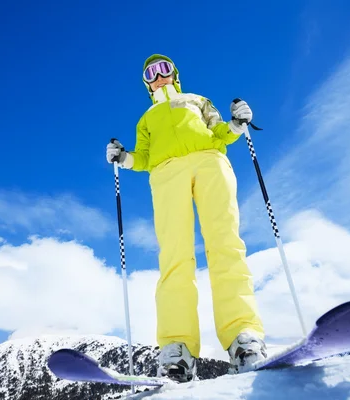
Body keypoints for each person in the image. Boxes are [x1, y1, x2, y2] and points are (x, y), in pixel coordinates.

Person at [106, 54, 267, 381]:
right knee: (174, 256)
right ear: (147, 83)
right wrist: (123, 158)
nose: (159, 75)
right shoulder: (146, 118)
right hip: (166, 174)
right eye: (151, 73)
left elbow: (221, 132)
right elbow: (144, 158)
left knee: (225, 244)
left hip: (210, 163)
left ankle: (243, 339)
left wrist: (237, 123)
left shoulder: (197, 100)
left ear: (174, 75)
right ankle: (176, 350)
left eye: (165, 69)